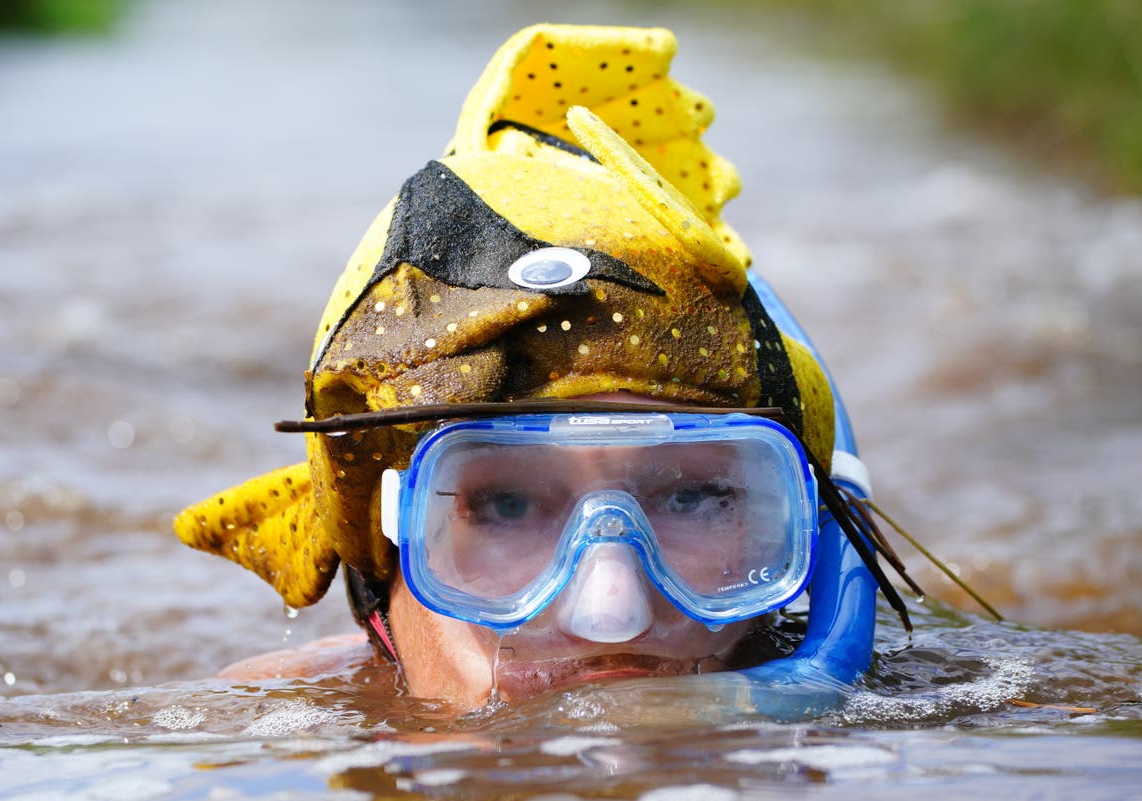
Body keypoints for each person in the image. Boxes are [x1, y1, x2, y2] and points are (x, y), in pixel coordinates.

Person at [175, 24, 896, 714]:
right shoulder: (262, 734)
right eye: (504, 505)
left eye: (695, 496)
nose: (612, 612)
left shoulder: (930, 707)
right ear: (381, 555)